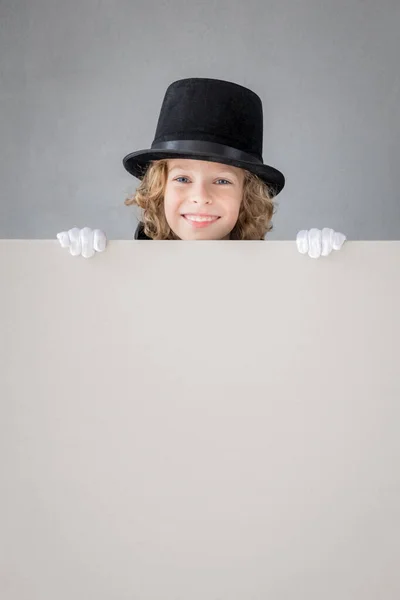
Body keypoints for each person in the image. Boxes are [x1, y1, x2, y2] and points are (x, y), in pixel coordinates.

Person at [122, 77, 285, 241]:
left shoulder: (272, 266)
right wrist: (99, 263)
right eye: (183, 178)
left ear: (247, 196)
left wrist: (307, 264)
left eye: (222, 181)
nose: (200, 197)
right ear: (159, 190)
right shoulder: (132, 265)